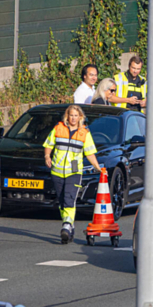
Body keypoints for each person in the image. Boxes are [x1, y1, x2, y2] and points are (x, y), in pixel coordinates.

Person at [43, 105, 104, 244]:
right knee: (62, 201)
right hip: (57, 171)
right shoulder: (58, 129)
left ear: (80, 117)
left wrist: (97, 167)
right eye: (71, 115)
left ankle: (66, 225)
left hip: (74, 172)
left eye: (76, 116)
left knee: (69, 198)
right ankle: (70, 225)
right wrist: (47, 156)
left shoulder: (84, 133)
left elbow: (90, 153)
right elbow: (49, 144)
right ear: (67, 116)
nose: (73, 118)